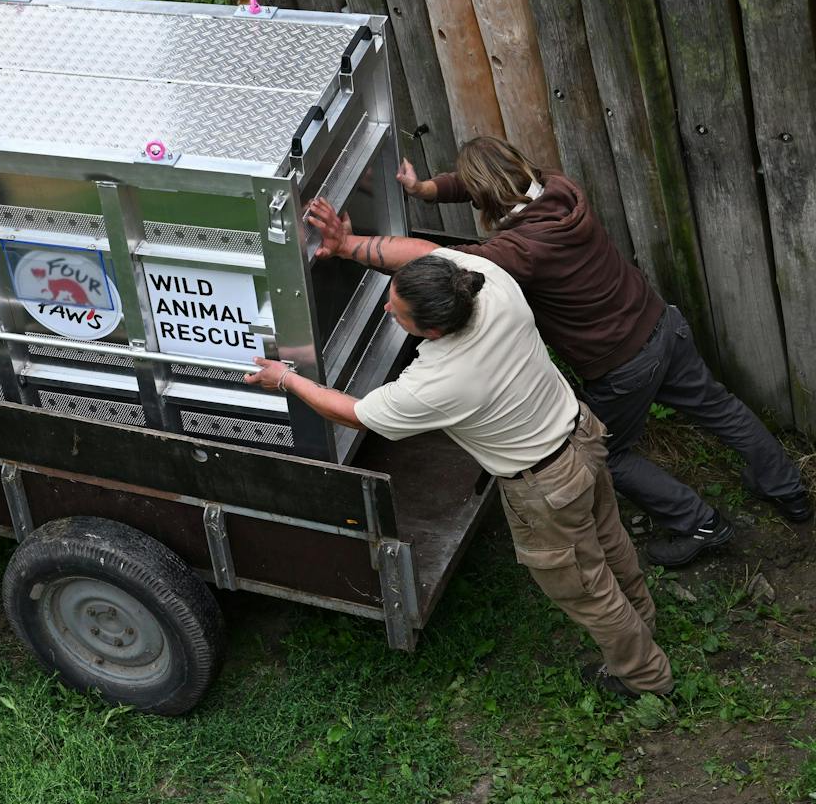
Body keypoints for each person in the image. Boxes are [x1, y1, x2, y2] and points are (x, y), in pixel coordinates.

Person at [305, 136, 809, 568]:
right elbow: (483, 180)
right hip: (660, 323)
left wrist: (349, 246)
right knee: (719, 407)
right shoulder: (558, 187)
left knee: (604, 451)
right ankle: (787, 488)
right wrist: (425, 189)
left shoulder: (521, 250)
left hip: (622, 364)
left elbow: (433, 259)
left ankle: (700, 525)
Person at [247, 251, 673, 698]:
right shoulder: (492, 282)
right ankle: (642, 619)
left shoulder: (441, 381)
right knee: (609, 542)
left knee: (585, 588)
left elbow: (354, 414)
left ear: (432, 331)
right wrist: (349, 241)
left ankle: (644, 677)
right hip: (580, 436)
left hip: (546, 487)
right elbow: (417, 250)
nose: (387, 309)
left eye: (397, 311)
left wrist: (287, 380)